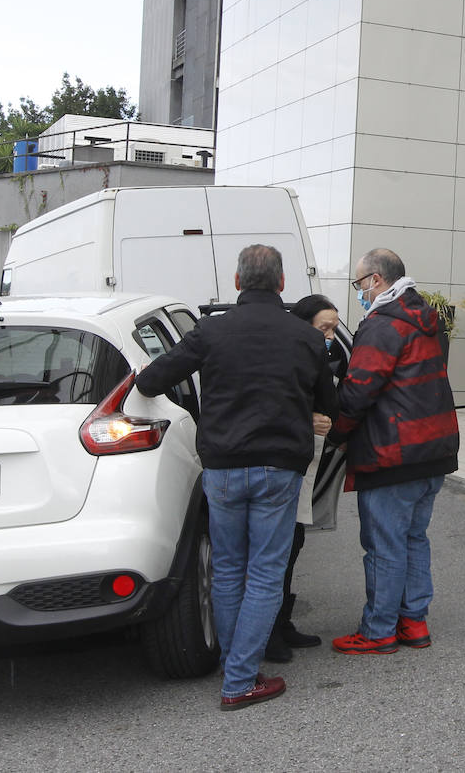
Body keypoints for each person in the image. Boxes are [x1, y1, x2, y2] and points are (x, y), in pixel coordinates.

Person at [136, 244, 337, 711]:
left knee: (227, 570)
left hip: (223, 466)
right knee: (266, 572)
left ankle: (236, 668)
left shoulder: (210, 331)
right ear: (283, 283)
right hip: (280, 467)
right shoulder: (306, 338)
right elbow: (329, 405)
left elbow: (151, 382)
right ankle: (240, 680)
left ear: (237, 281)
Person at [325, 248, 460, 655]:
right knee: (413, 538)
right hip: (432, 448)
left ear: (377, 280)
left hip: (392, 451)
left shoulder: (382, 325)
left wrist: (335, 431)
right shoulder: (422, 319)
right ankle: (413, 622)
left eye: (359, 283)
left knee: (384, 543)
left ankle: (379, 629)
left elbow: (359, 390)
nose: (359, 292)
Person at [259, 294, 346, 663]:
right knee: (272, 553)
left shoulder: (321, 359)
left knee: (292, 544)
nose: (329, 336)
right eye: (323, 328)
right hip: (274, 465)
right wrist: (308, 418)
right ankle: (266, 634)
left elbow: (330, 406)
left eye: (333, 329)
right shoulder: (283, 356)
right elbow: (270, 403)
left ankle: (282, 622)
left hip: (301, 465)